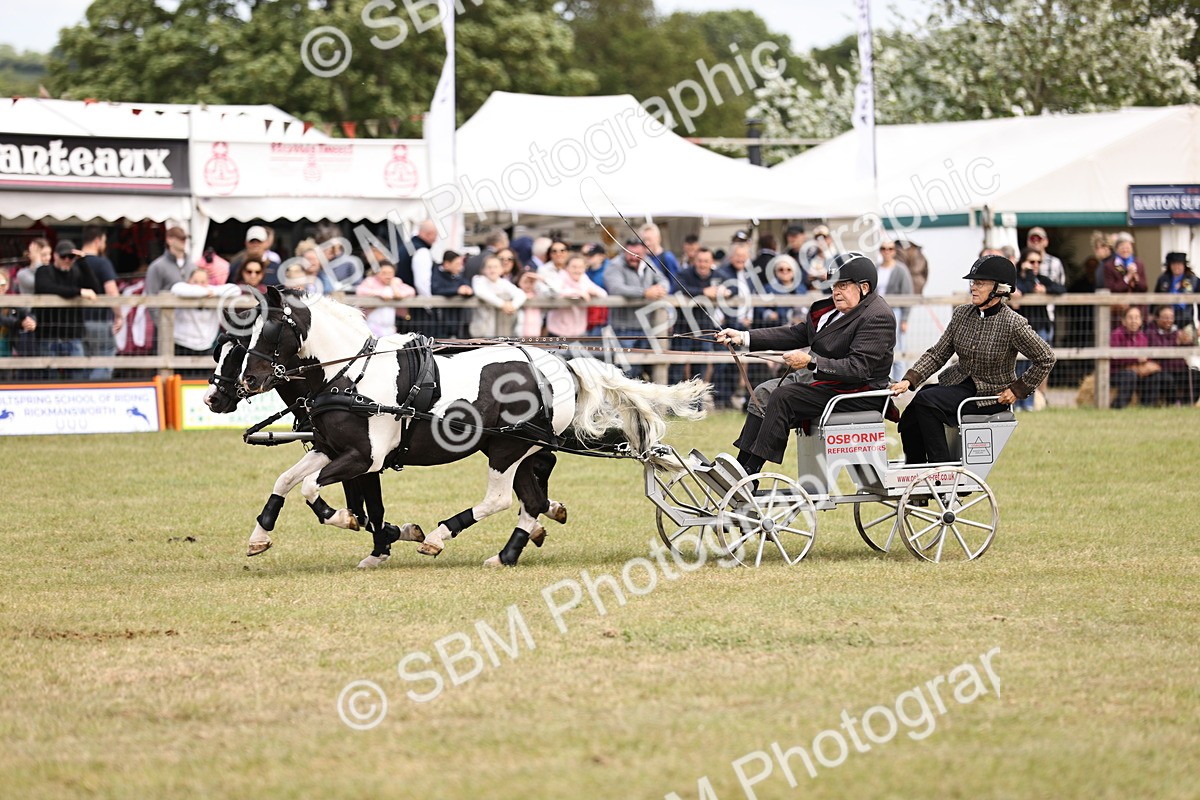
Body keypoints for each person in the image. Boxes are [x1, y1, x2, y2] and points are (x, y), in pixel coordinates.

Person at [716, 252, 896, 476]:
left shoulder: (878, 317)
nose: (835, 292)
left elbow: (858, 369)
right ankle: (739, 469)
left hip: (857, 392)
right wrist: (744, 337)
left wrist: (811, 362)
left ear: (864, 287)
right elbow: (796, 334)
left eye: (842, 285)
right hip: (826, 383)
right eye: (833, 286)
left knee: (782, 397)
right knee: (763, 392)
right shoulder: (832, 311)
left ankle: (750, 474)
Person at [891, 256, 1056, 464]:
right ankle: (915, 469)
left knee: (927, 401)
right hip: (959, 385)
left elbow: (1046, 358)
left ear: (1000, 289)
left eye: (980, 283)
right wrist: (909, 380)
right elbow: (938, 353)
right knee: (913, 411)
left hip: (990, 396)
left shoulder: (1013, 323)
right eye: (973, 283)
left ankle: (941, 470)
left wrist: (1017, 390)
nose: (973, 288)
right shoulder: (962, 314)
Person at [34, 240, 100, 380]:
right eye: (63, 257)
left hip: (73, 335)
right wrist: (79, 291)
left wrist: (82, 261)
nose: (67, 260)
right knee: (49, 377)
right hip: (49, 335)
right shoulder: (44, 271)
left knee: (77, 377)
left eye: (70, 257)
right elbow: (46, 288)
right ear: (55, 256)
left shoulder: (76, 272)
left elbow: (94, 288)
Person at [603, 240, 670, 377]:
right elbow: (616, 288)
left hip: (646, 327)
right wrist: (644, 292)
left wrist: (660, 289)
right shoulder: (615, 265)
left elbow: (664, 281)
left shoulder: (648, 262)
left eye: (637, 254)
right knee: (625, 370)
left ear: (644, 253)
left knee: (640, 370)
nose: (633, 257)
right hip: (623, 328)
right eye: (630, 254)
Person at [1011, 247, 1064, 409]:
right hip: (1022, 328)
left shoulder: (1041, 279)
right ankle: (1017, 403)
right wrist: (1029, 276)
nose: (1035, 265)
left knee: (1033, 368)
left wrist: (1046, 289)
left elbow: (1061, 288)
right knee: (1019, 366)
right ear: (1022, 262)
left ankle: (1028, 403)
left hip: (1040, 326)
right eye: (1031, 261)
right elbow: (1025, 288)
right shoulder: (1016, 280)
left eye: (1038, 262)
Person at [170, 268, 240, 375]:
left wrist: (214, 291)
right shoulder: (183, 289)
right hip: (182, 344)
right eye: (195, 281)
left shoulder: (213, 291)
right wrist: (205, 292)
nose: (199, 285)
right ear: (188, 281)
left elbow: (236, 290)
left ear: (208, 282)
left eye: (203, 282)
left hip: (206, 344)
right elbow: (176, 288)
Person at [78, 225, 124, 380]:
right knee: (104, 359)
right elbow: (112, 292)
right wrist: (119, 315)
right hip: (99, 320)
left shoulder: (72, 262)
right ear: (97, 241)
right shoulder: (102, 263)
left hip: (75, 323)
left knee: (81, 363)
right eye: (104, 241)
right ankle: (96, 393)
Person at [875, 239, 914, 382]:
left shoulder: (901, 270)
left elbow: (908, 294)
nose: (887, 251)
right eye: (883, 248)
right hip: (877, 311)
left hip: (895, 311)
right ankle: (882, 381)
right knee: (878, 346)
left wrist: (905, 319)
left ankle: (898, 383)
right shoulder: (876, 268)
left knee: (897, 347)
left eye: (890, 249)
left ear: (894, 251)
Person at [1110, 306, 1164, 408]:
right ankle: (1118, 407)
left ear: (1141, 321)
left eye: (1137, 318)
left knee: (1155, 375)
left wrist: (1150, 365)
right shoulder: (1116, 335)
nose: (1134, 321)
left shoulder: (1142, 337)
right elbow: (1115, 358)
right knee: (1130, 375)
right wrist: (1135, 360)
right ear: (1123, 321)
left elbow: (1145, 358)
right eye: (1130, 318)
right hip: (1117, 372)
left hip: (1137, 370)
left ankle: (1147, 407)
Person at [546, 254, 607, 339]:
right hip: (558, 331)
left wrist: (592, 292)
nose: (577, 270)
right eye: (574, 267)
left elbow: (603, 293)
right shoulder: (560, 277)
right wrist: (578, 293)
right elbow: (555, 292)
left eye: (581, 267)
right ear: (567, 267)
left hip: (578, 332)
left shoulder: (584, 278)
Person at [470, 254, 525, 338]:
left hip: (501, 330)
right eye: (489, 267)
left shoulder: (503, 283)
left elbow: (521, 294)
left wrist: (513, 306)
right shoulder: (478, 280)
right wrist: (502, 305)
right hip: (482, 330)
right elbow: (481, 292)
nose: (492, 270)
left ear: (501, 269)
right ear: (484, 269)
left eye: (495, 267)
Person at [356, 261, 416, 337]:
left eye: (390, 273)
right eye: (384, 273)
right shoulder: (370, 281)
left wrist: (397, 291)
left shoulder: (395, 281)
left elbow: (411, 291)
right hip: (372, 324)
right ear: (377, 273)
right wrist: (379, 293)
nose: (387, 275)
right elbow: (360, 291)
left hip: (389, 326)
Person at [429, 250, 473, 338]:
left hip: (457, 319)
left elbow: (465, 284)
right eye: (457, 264)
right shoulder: (436, 273)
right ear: (447, 264)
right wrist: (457, 290)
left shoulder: (459, 275)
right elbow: (436, 289)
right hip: (440, 319)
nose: (460, 267)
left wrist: (468, 289)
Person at [1153, 252, 1199, 330]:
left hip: (1186, 319)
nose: (1176, 267)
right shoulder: (1163, 279)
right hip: (1166, 320)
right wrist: (1153, 314)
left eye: (1179, 264)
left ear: (1184, 265)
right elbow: (1155, 298)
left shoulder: (1193, 280)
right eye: (1174, 264)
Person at [0, 271, 36, 359]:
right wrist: (20, 323)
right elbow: (2, 320)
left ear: (7, 286)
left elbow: (26, 312)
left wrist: (31, 321)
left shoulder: (11, 302)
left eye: (2, 284)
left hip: (6, 354)